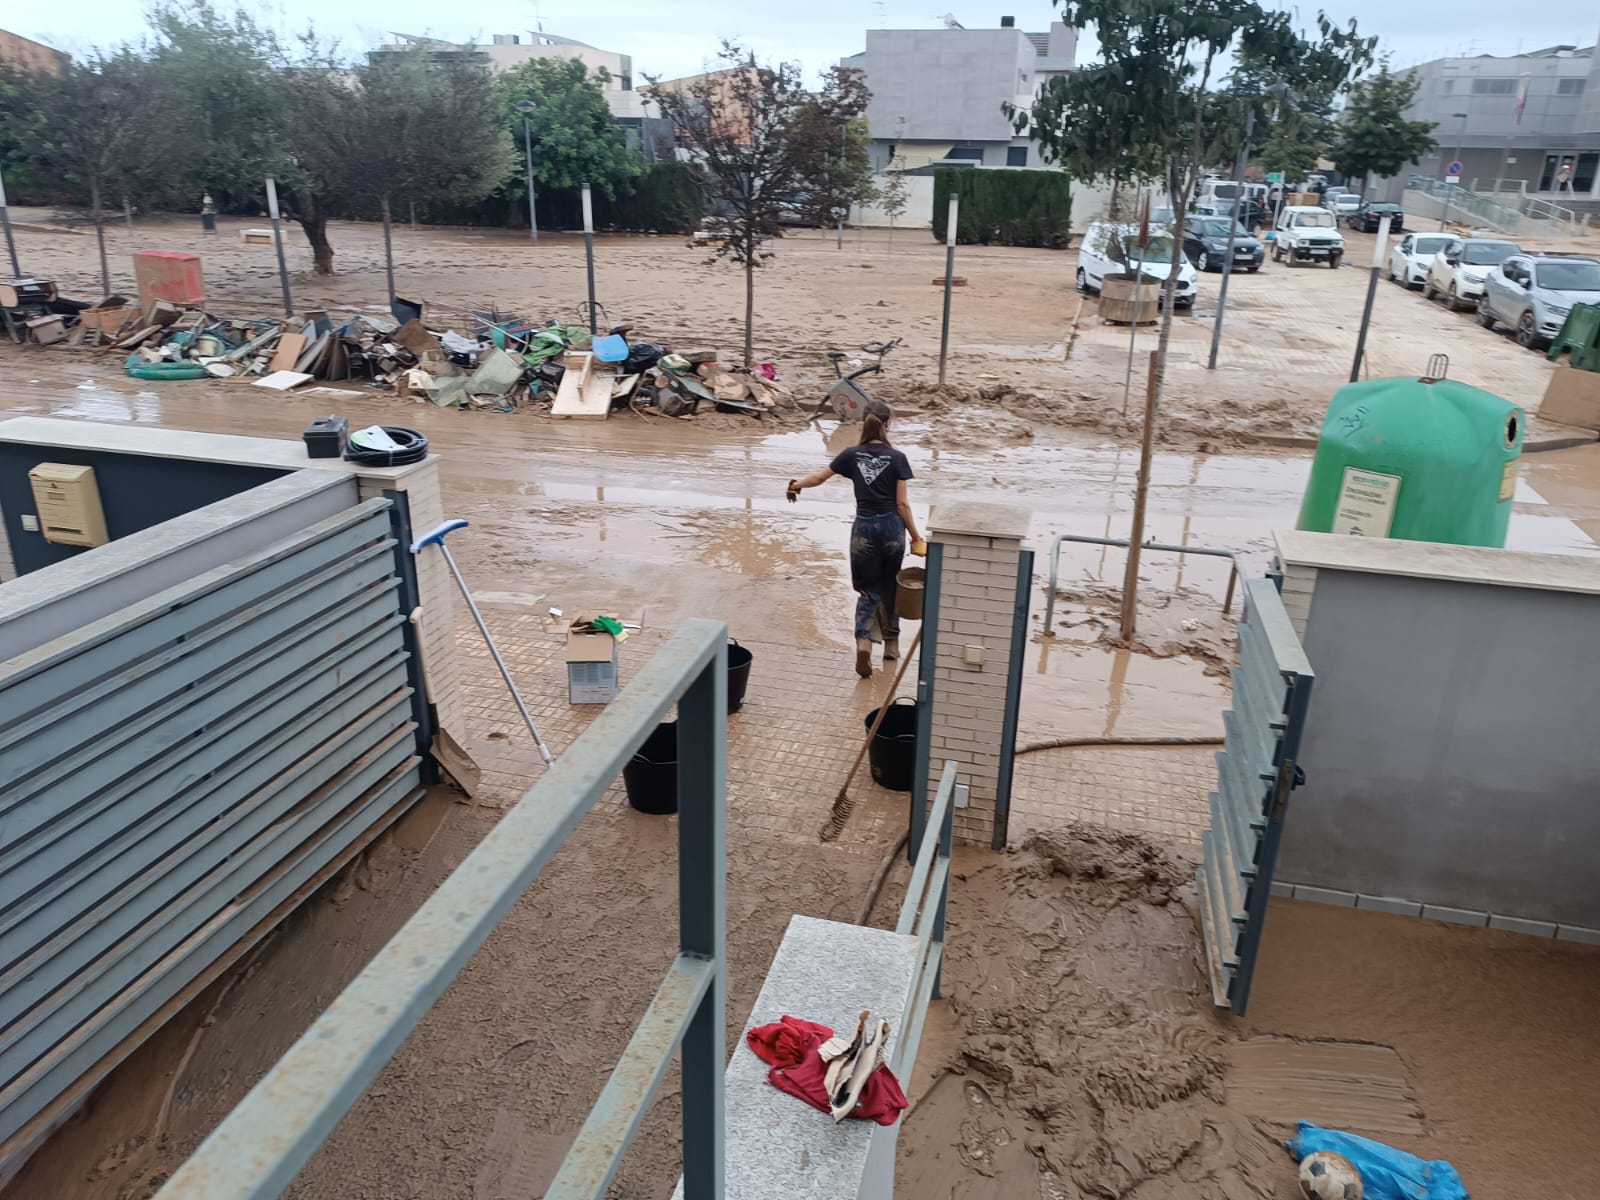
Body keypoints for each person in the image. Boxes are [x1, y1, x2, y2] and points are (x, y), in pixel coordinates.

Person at [787, 402, 925, 678]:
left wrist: (795, 485)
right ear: (888, 424)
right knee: (890, 586)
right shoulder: (897, 458)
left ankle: (864, 642)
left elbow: (818, 478)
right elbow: (902, 505)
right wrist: (916, 536)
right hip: (891, 529)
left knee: (868, 589)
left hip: (864, 528)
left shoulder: (852, 455)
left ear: (865, 423)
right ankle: (891, 644)